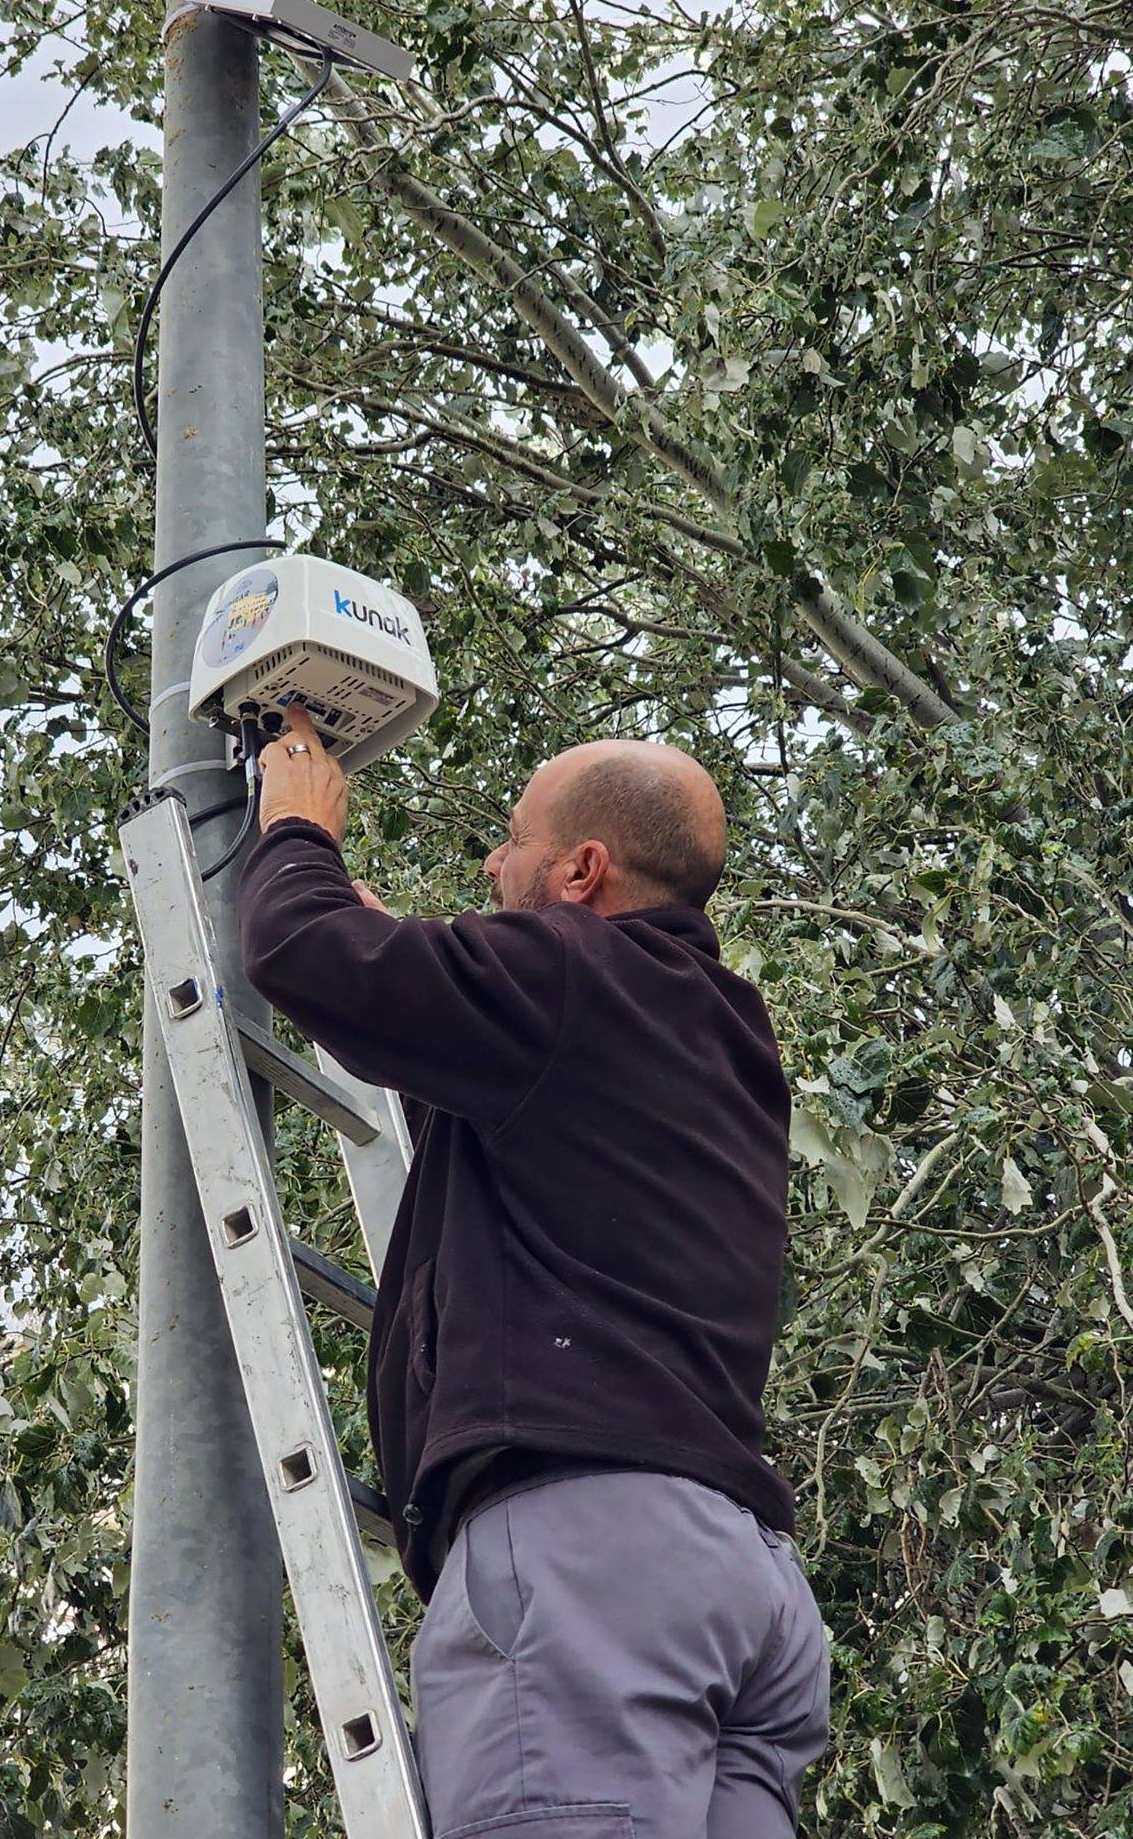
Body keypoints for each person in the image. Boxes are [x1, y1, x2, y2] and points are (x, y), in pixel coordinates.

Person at [236, 703, 830, 1839]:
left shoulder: (564, 975)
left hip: (590, 1569)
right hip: (742, 1588)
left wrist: (297, 833)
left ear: (581, 869)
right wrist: (407, 960)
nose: (490, 861)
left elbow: (299, 950)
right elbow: (517, 1093)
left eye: (510, 837)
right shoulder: (724, 1028)